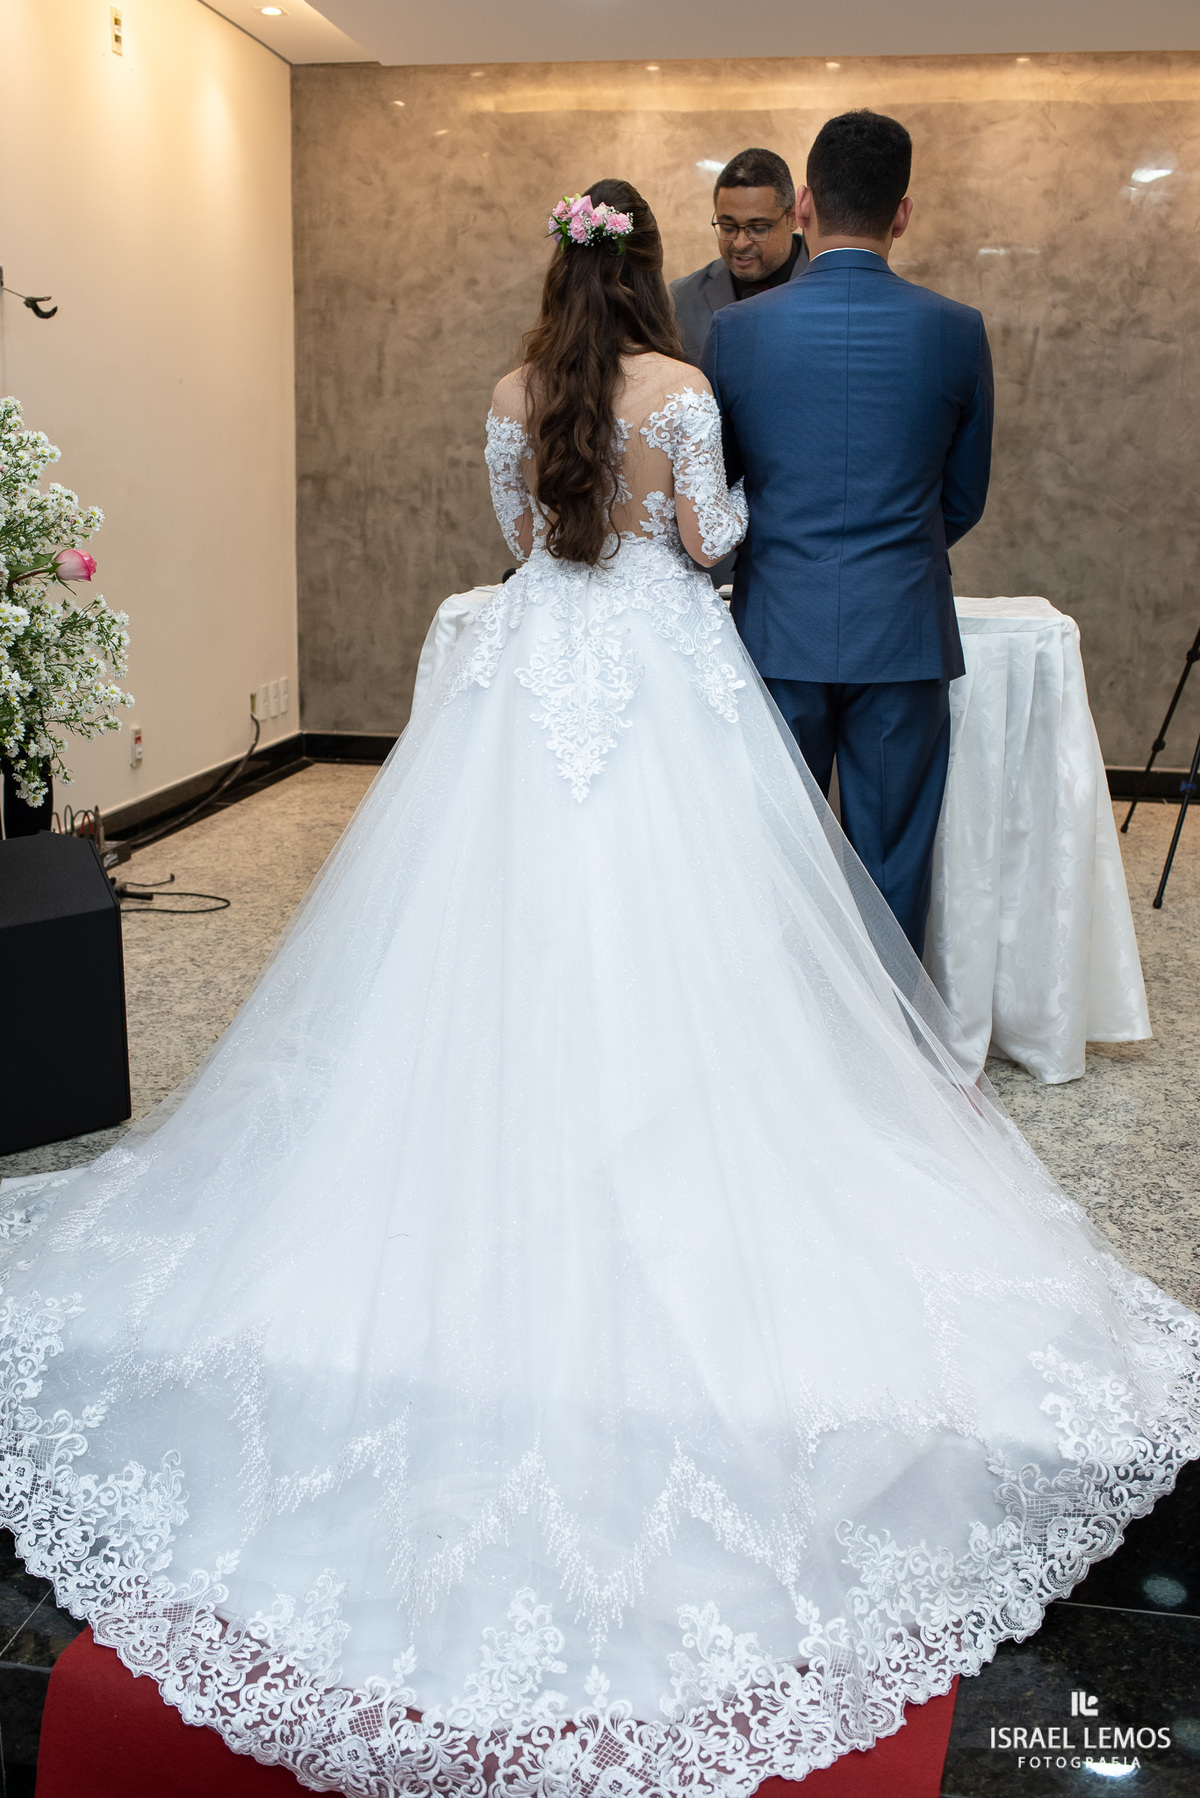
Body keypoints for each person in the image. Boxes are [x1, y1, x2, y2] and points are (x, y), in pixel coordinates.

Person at [1, 177, 1197, 1798]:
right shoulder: (688, 388)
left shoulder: (510, 395)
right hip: (662, 660)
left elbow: (519, 542)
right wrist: (698, 523)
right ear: (653, 276)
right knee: (709, 933)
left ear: (554, 269)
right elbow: (711, 542)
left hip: (536, 657)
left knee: (490, 927)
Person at [704, 111, 992, 957]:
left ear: (801, 205)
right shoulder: (955, 329)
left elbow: (716, 489)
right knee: (892, 860)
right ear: (902, 212)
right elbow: (965, 496)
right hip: (903, 631)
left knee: (774, 854)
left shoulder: (737, 332)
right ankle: (893, 1050)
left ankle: (781, 1037)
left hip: (777, 629)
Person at [670, 147, 810, 366]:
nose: (740, 243)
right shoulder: (681, 299)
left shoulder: (832, 286)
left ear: (792, 218)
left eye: (758, 228)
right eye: (727, 227)